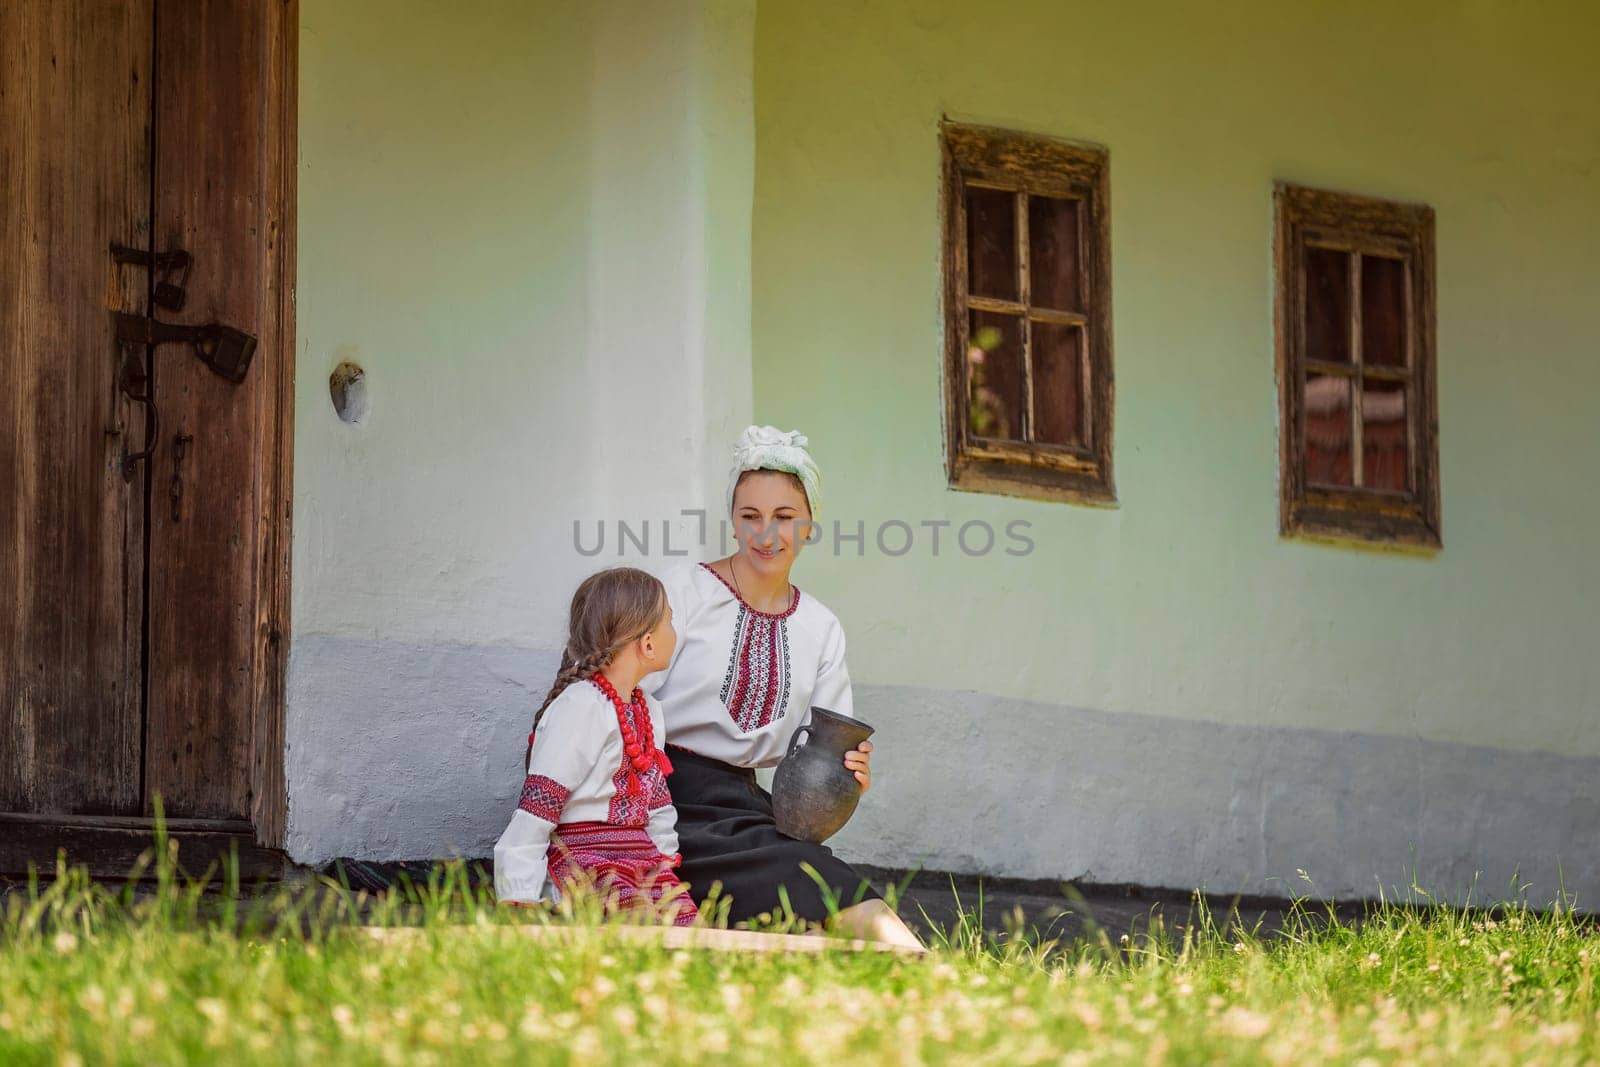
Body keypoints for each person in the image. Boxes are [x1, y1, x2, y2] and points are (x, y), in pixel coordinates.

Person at [643, 425, 925, 950]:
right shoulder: (683, 590)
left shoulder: (820, 628)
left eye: (784, 517)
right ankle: (923, 971)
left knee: (813, 870)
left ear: (810, 525)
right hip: (657, 802)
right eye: (750, 516)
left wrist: (848, 779)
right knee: (810, 882)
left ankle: (919, 971)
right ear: (733, 521)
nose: (766, 534)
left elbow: (827, 749)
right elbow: (621, 700)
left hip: (748, 811)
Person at [493, 567, 696, 926]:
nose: (674, 631)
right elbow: (539, 805)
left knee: (685, 927)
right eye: (669, 620)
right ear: (647, 643)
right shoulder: (582, 705)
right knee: (634, 927)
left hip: (639, 858)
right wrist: (519, 893)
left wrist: (663, 863)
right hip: (586, 859)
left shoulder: (647, 710)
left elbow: (656, 800)